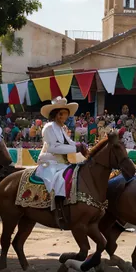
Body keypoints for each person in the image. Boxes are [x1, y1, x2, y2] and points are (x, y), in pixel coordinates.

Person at [36, 97, 88, 226]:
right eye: (61, 114)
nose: (64, 116)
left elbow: (70, 143)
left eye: (65, 114)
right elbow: (53, 147)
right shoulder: (48, 128)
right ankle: (58, 208)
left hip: (62, 163)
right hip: (50, 161)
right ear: (55, 115)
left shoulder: (62, 129)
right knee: (61, 179)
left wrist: (81, 146)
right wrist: (76, 147)